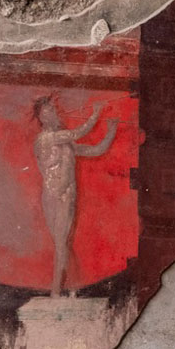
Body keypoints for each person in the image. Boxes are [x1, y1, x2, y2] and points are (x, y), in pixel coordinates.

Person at [33, 97, 117, 297]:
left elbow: (96, 150)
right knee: (61, 244)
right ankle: (61, 290)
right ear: (42, 117)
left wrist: (111, 132)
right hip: (53, 195)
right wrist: (95, 113)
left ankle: (60, 290)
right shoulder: (45, 139)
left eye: (53, 110)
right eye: (49, 111)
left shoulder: (67, 145)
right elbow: (78, 132)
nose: (54, 113)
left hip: (67, 195)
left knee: (62, 243)